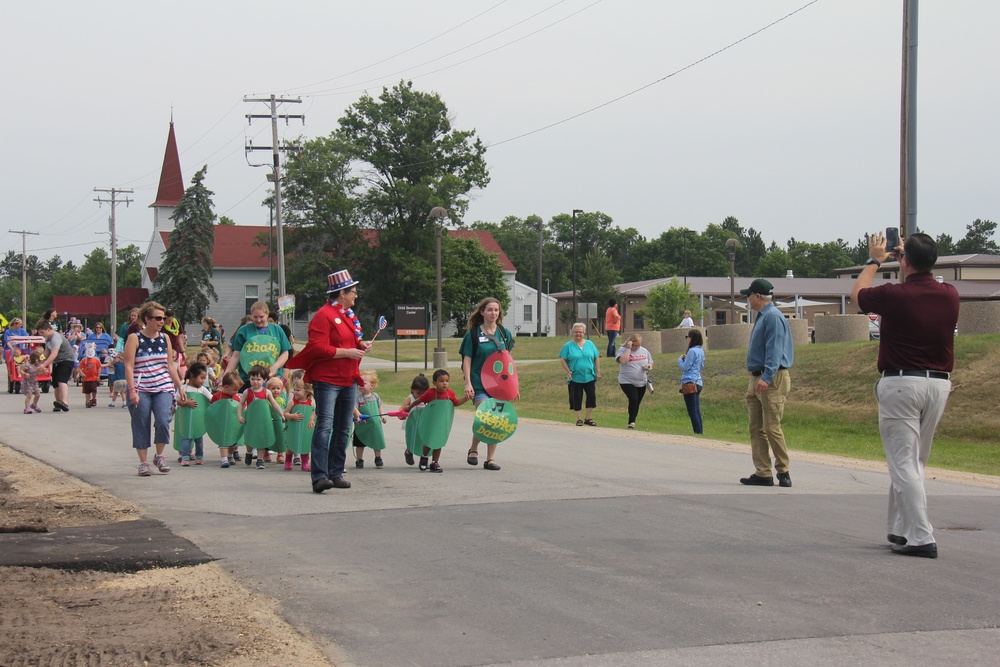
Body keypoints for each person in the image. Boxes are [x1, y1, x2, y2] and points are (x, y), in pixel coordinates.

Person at [852, 231, 959, 559]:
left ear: (905, 260)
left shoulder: (895, 295)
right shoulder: (950, 294)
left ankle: (921, 537)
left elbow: (858, 295)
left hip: (902, 383)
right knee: (915, 461)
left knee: (902, 462)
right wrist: (908, 256)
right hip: (938, 383)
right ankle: (900, 528)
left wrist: (875, 260)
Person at [285, 269, 371, 493]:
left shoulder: (347, 315)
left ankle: (336, 472)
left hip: (348, 378)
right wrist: (347, 352)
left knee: (343, 428)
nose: (356, 295)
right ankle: (320, 476)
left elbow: (348, 341)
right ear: (341, 293)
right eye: (353, 291)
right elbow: (318, 347)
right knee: (325, 425)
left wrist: (359, 346)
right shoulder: (323, 316)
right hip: (328, 379)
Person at [739, 278, 794, 488]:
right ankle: (763, 472)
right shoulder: (762, 317)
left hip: (771, 378)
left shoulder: (772, 317)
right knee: (756, 428)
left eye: (749, 295)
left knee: (772, 427)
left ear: (757, 296)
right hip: (756, 377)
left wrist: (767, 376)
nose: (747, 299)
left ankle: (783, 471)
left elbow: (775, 349)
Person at [124, 301, 186, 477]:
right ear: (147, 319)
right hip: (141, 386)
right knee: (141, 423)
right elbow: (128, 365)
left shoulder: (165, 338)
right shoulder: (135, 338)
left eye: (163, 318)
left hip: (162, 385)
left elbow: (170, 365)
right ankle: (143, 463)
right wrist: (132, 390)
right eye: (158, 318)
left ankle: (159, 456)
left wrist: (179, 386)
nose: (161, 321)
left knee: (163, 420)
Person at [459, 297, 515, 471]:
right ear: (482, 312)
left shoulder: (504, 333)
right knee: (487, 416)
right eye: (490, 310)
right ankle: (474, 449)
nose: (493, 313)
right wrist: (468, 383)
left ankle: (490, 459)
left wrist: (514, 385)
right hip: (479, 384)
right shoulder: (474, 334)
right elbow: (466, 360)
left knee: (496, 419)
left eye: (496, 310)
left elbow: (507, 360)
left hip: (499, 386)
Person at [406, 369, 469, 472]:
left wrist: (466, 399)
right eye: (441, 381)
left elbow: (456, 403)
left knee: (439, 442)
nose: (444, 383)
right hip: (431, 423)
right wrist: (409, 407)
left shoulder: (450, 394)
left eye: (447, 381)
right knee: (428, 441)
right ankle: (424, 457)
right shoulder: (430, 393)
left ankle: (435, 462)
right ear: (434, 383)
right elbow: (419, 400)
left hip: (442, 423)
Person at [225, 302, 292, 391]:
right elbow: (236, 355)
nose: (258, 320)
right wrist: (225, 377)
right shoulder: (244, 330)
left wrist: (274, 368)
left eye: (261, 317)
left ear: (267, 315)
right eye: (255, 317)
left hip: (273, 379)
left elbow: (284, 353)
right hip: (249, 378)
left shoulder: (277, 330)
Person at [559, 322, 601, 426]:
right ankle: (579, 419)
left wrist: (598, 372)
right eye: (576, 332)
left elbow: (596, 358)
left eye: (581, 332)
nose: (578, 334)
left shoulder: (590, 344)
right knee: (576, 397)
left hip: (589, 376)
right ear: (573, 333)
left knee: (591, 396)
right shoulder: (568, 346)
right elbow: (562, 359)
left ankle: (588, 418)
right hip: (575, 377)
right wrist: (568, 371)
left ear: (584, 333)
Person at [35, 319, 75, 412]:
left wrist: (44, 365)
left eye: (42, 332)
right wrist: (39, 361)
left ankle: (64, 402)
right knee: (55, 383)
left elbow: (54, 353)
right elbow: (47, 352)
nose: (41, 334)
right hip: (58, 362)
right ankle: (58, 403)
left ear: (48, 329)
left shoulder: (55, 337)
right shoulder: (48, 338)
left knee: (62, 380)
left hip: (66, 360)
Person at [177, 362, 213, 466]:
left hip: (199, 420)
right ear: (192, 376)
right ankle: (185, 456)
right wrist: (185, 402)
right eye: (201, 378)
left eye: (204, 378)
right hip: (186, 419)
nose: (203, 381)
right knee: (186, 437)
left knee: (199, 438)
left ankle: (199, 456)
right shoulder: (184, 388)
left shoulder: (202, 390)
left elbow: (212, 399)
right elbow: (176, 400)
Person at [615, 333, 654, 429]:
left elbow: (651, 363)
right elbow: (623, 361)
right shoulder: (623, 350)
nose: (636, 347)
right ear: (630, 342)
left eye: (638, 345)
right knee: (633, 398)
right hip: (626, 381)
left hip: (642, 381)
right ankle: (631, 422)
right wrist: (628, 348)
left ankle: (633, 420)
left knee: (636, 402)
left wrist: (648, 367)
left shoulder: (644, 351)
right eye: (634, 345)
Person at [353, 370, 387, 469]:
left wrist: (382, 416)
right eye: (359, 383)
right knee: (360, 442)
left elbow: (379, 406)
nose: (361, 385)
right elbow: (354, 408)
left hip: (374, 425)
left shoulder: (375, 396)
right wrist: (358, 416)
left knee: (377, 440)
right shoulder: (357, 398)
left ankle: (378, 457)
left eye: (363, 383)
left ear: (372, 386)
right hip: (362, 424)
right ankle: (359, 459)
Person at [282, 374, 315, 471]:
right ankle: (288, 461)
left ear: (306, 391)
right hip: (293, 427)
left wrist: (312, 419)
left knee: (305, 444)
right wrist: (292, 416)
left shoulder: (311, 402)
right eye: (294, 390)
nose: (295, 392)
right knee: (291, 445)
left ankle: (304, 463)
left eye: (298, 390)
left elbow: (314, 412)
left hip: (305, 427)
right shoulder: (292, 402)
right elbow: (285, 413)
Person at [210, 371, 243, 467]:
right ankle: (224, 459)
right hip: (221, 423)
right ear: (226, 387)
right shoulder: (217, 396)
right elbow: (212, 408)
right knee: (223, 441)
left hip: (232, 423)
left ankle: (230, 455)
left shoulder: (236, 397)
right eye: (235, 389)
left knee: (233, 441)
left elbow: (239, 407)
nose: (236, 392)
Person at [678, 329, 706, 434]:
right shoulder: (700, 350)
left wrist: (680, 360)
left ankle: (697, 432)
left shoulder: (692, 351)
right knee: (697, 409)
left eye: (688, 337)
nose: (687, 339)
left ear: (692, 338)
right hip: (698, 381)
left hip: (689, 381)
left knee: (692, 411)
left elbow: (685, 367)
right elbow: (701, 365)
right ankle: (700, 431)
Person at [399, 374, 430, 466]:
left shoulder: (427, 398)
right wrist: (402, 413)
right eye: (418, 394)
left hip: (423, 424)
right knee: (412, 439)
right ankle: (409, 451)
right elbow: (402, 409)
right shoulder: (410, 398)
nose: (421, 396)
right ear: (413, 389)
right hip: (411, 424)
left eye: (423, 394)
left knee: (423, 441)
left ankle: (423, 459)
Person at [75, 343, 102, 408]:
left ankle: (94, 399)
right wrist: (81, 373)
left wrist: (98, 376)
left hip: (94, 378)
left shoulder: (96, 360)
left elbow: (99, 367)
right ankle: (87, 401)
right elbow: (79, 368)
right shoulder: (84, 360)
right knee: (87, 391)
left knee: (93, 390)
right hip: (86, 379)